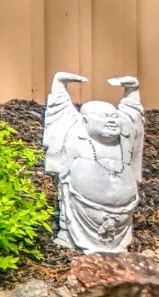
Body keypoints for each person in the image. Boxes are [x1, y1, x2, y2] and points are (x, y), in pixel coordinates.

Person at [43, 71, 144, 252]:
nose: (112, 121)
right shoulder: (74, 131)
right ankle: (68, 237)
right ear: (85, 121)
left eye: (114, 116)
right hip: (81, 212)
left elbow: (133, 115)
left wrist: (132, 89)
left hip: (122, 218)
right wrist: (59, 83)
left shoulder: (123, 138)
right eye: (104, 117)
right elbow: (59, 109)